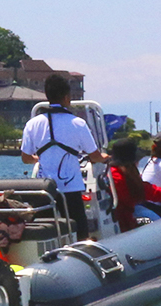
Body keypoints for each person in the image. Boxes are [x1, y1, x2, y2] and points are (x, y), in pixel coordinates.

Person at [20, 74, 109, 240]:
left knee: (45, 232)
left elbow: (25, 158)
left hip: (44, 189)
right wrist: (105, 157)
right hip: (70, 188)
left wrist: (36, 159)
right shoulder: (78, 123)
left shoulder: (33, 124)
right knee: (79, 230)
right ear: (67, 97)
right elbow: (94, 156)